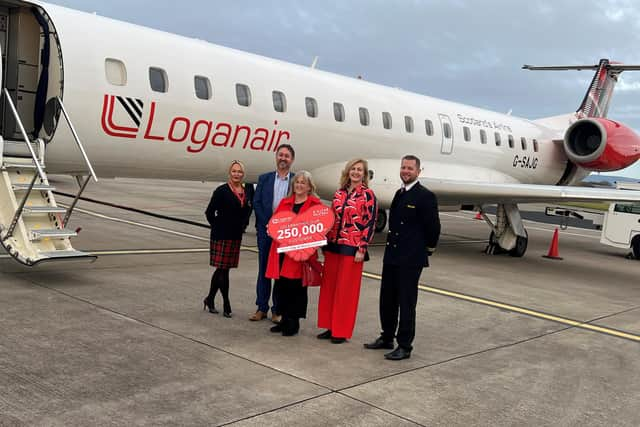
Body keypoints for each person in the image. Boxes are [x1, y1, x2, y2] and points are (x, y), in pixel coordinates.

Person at [364, 155, 440, 360]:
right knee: (387, 299)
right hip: (393, 255)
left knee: (406, 302)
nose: (406, 171)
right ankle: (387, 336)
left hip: (411, 258)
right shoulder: (399, 193)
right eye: (403, 167)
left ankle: (405, 345)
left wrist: (427, 250)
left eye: (410, 168)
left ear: (418, 171)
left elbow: (433, 228)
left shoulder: (425, 196)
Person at [317, 159, 377, 344]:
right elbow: (331, 217)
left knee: (346, 291)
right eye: (353, 169)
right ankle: (329, 326)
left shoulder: (368, 195)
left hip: (352, 248)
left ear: (364, 174)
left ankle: (340, 331)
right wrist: (323, 240)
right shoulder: (339, 193)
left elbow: (370, 222)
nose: (356, 172)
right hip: (333, 245)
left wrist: (362, 247)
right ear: (348, 171)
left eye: (360, 170)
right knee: (330, 288)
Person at [265, 171, 322, 336]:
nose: (299, 185)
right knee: (282, 285)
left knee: (295, 288)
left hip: (300, 254)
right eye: (297, 182)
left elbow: (318, 227)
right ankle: (283, 320)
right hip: (282, 251)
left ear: (310, 186)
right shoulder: (285, 202)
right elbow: (275, 221)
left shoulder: (315, 204)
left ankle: (293, 322)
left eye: (303, 183)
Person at [250, 144, 296, 323]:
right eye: (280, 155)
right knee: (263, 271)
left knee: (279, 274)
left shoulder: (295, 181)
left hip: (284, 235)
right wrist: (269, 224)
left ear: (291, 160)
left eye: (287, 156)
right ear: (276, 157)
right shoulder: (264, 179)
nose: (283, 158)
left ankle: (277, 310)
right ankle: (261, 308)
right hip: (266, 232)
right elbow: (257, 202)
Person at [203, 160, 254, 318]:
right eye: (234, 171)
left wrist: (243, 224)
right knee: (223, 270)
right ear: (229, 173)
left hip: (235, 235)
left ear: (243, 174)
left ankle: (210, 299)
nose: (237, 174)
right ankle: (226, 303)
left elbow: (247, 210)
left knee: (222, 269)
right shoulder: (221, 191)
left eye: (239, 172)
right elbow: (209, 212)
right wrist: (218, 225)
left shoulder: (246, 191)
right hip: (222, 234)